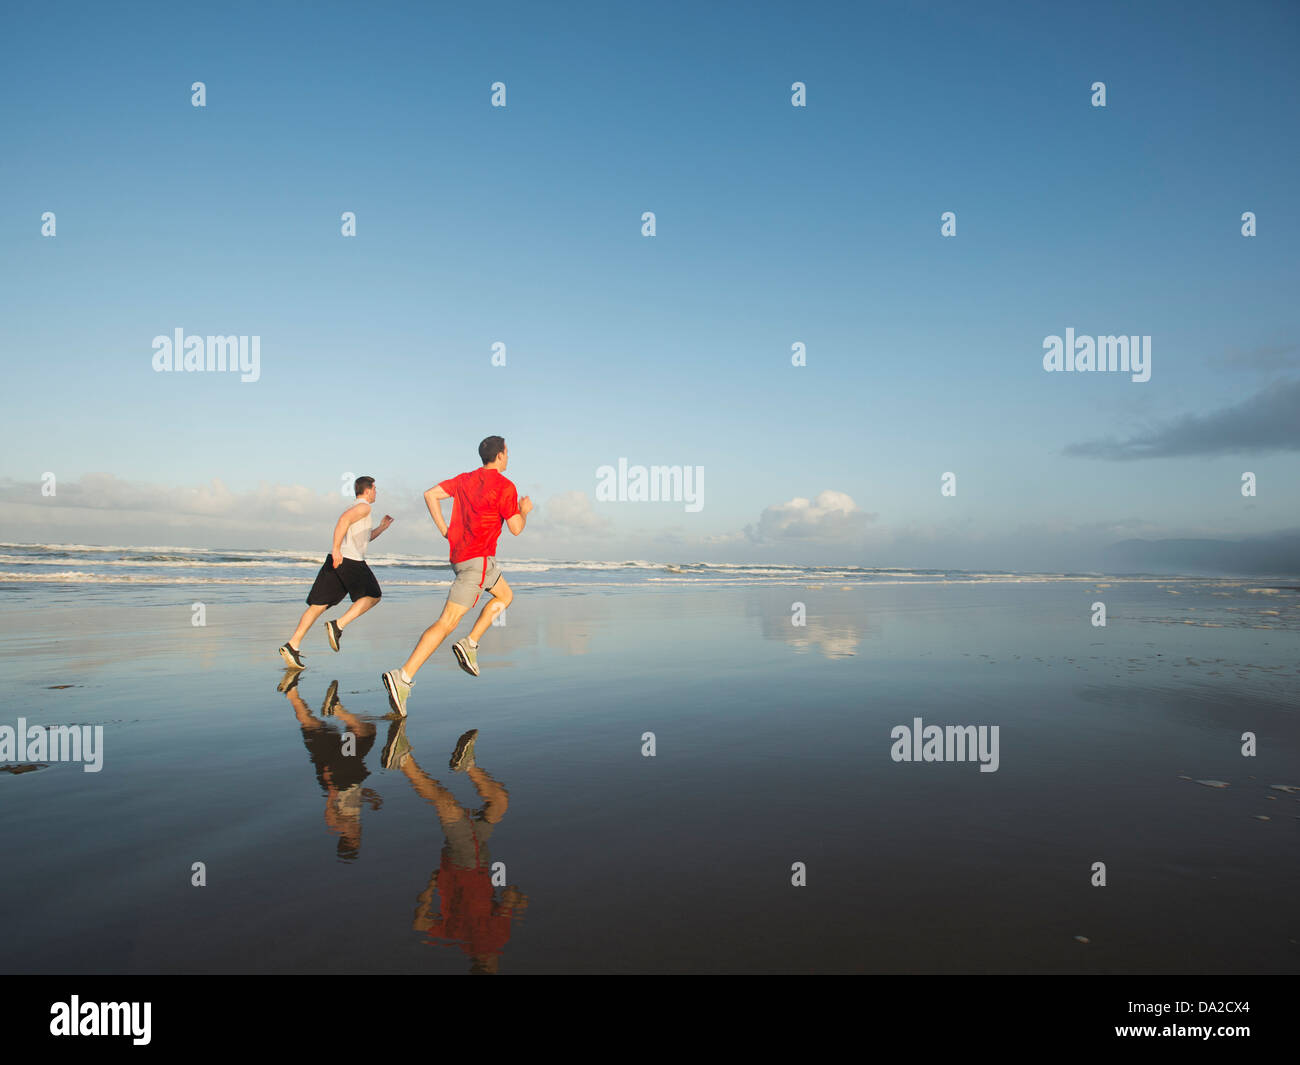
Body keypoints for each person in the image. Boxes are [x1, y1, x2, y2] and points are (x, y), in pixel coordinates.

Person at [382, 436, 531, 715]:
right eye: (507, 453)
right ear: (500, 455)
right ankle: (403, 676)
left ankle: (470, 643)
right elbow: (516, 528)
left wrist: (445, 531)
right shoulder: (505, 486)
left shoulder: (465, 479)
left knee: (505, 596)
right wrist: (524, 511)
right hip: (479, 562)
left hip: (464, 558)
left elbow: (430, 494)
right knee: (447, 622)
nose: (508, 457)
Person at [279, 476, 393, 669]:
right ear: (368, 490)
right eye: (375, 489)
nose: (376, 493)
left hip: (339, 560)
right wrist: (336, 549)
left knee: (318, 605)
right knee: (373, 596)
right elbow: (343, 521)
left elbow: (364, 538)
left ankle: (292, 645)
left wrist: (381, 528)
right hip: (350, 560)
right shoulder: (365, 507)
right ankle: (337, 625)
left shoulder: (357, 508)